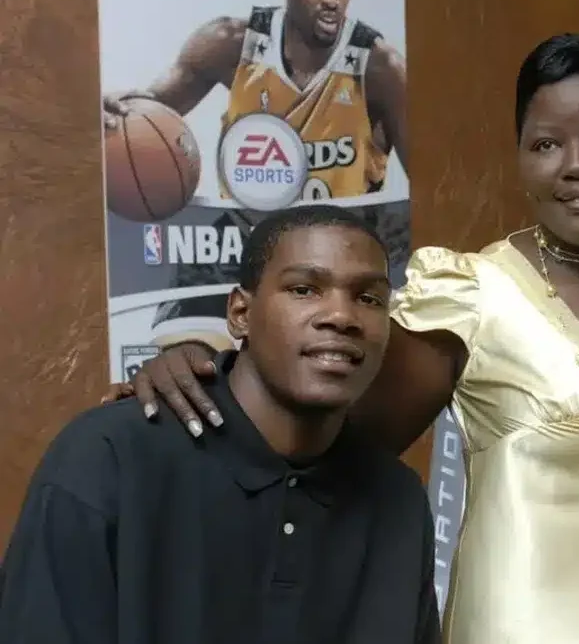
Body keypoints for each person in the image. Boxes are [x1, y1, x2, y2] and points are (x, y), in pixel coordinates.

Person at [102, 35, 579, 643]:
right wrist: (200, 367)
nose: (576, 164)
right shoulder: (475, 294)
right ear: (521, 161)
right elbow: (320, 446)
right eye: (546, 144)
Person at [0, 206, 439, 644]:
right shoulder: (109, 457)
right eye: (304, 289)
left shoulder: (397, 500)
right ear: (239, 314)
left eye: (369, 298)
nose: (341, 316)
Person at [102, 0, 408, 194]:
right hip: (252, 251)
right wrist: (110, 114)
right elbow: (149, 114)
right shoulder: (228, 44)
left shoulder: (380, 69)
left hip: (341, 255)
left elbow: (435, 186)